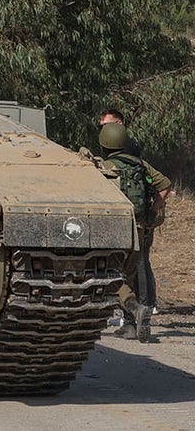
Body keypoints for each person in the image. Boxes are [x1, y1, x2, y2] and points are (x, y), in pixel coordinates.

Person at [99, 122, 170, 342]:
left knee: (110, 276)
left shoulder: (103, 166)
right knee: (128, 274)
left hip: (114, 231)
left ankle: (136, 308)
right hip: (139, 228)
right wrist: (151, 214)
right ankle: (130, 326)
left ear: (104, 144)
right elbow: (165, 185)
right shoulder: (141, 164)